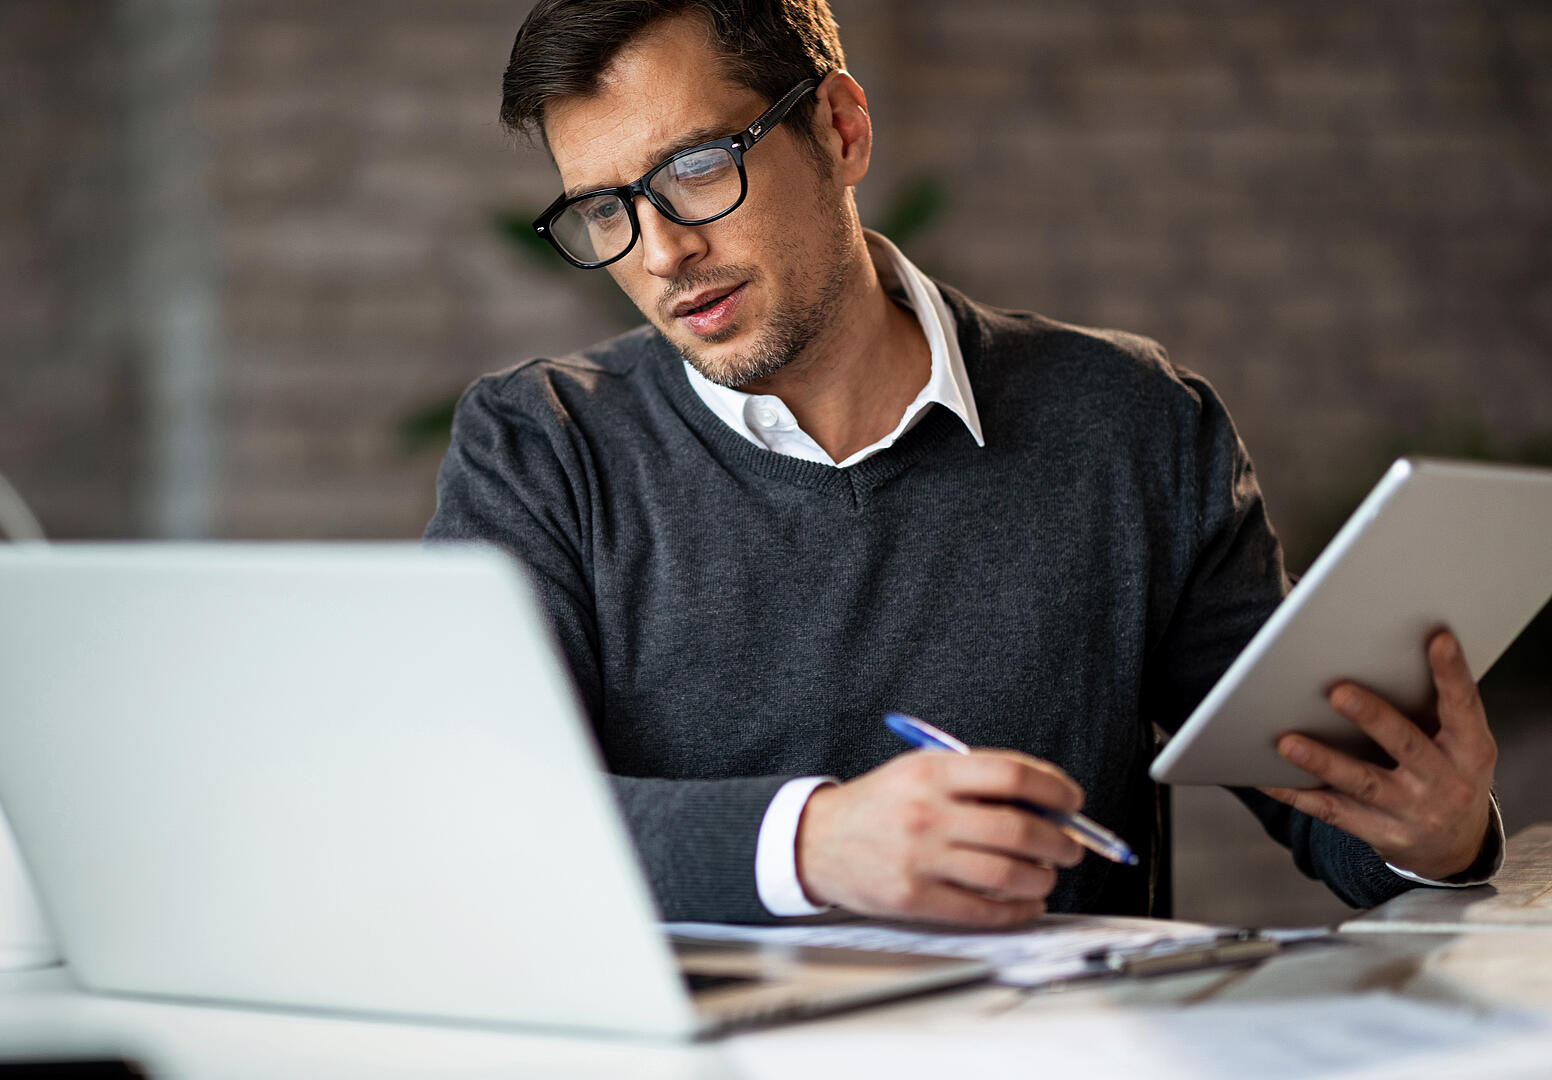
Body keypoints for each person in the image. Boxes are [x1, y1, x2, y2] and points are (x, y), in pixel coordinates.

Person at [426, 0, 1504, 926]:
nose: (661, 253)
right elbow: (475, 815)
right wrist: (808, 843)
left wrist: (1435, 834)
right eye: (605, 209)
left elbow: (1328, 802)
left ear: (842, 131)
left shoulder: (1131, 423)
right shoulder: (541, 447)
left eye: (697, 169)